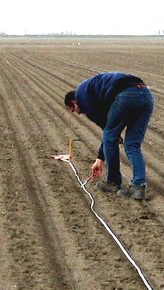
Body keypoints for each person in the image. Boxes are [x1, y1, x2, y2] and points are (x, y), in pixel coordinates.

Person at [64, 71, 154, 200]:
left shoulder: (82, 97)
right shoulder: (91, 92)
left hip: (127, 95)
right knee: (132, 144)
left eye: (73, 110)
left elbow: (108, 134)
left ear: (74, 102)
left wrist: (100, 157)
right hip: (146, 95)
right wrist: (100, 159)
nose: (77, 113)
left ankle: (113, 182)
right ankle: (138, 188)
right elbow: (109, 131)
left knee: (110, 138)